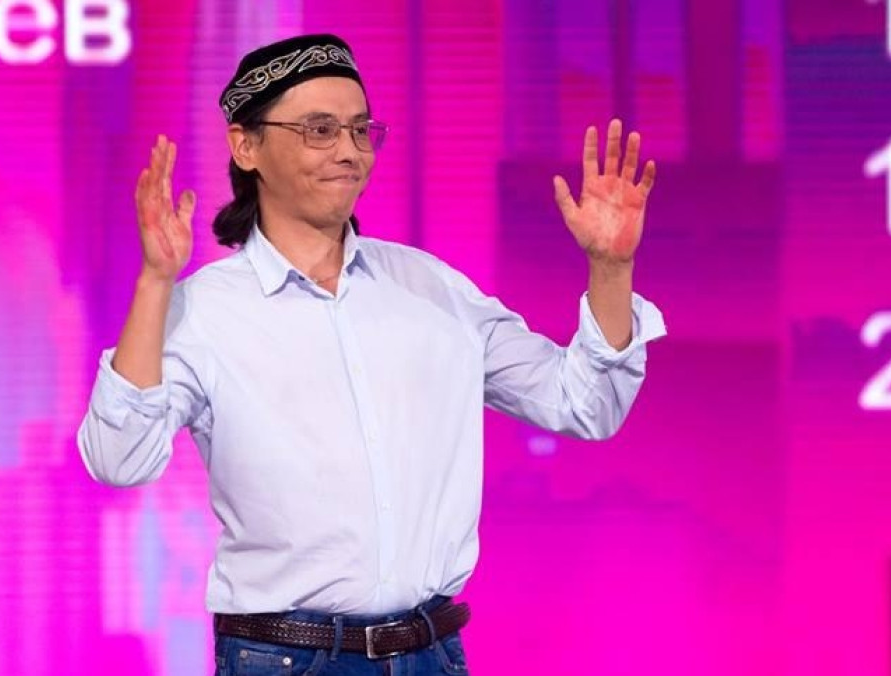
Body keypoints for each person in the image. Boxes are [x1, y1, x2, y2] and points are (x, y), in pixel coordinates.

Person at [77, 33, 667, 675]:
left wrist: (611, 269)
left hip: (431, 652)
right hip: (285, 658)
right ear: (246, 146)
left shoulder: (432, 289)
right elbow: (118, 459)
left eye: (361, 130)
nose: (349, 151)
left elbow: (584, 405)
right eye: (319, 130)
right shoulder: (204, 310)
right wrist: (155, 282)